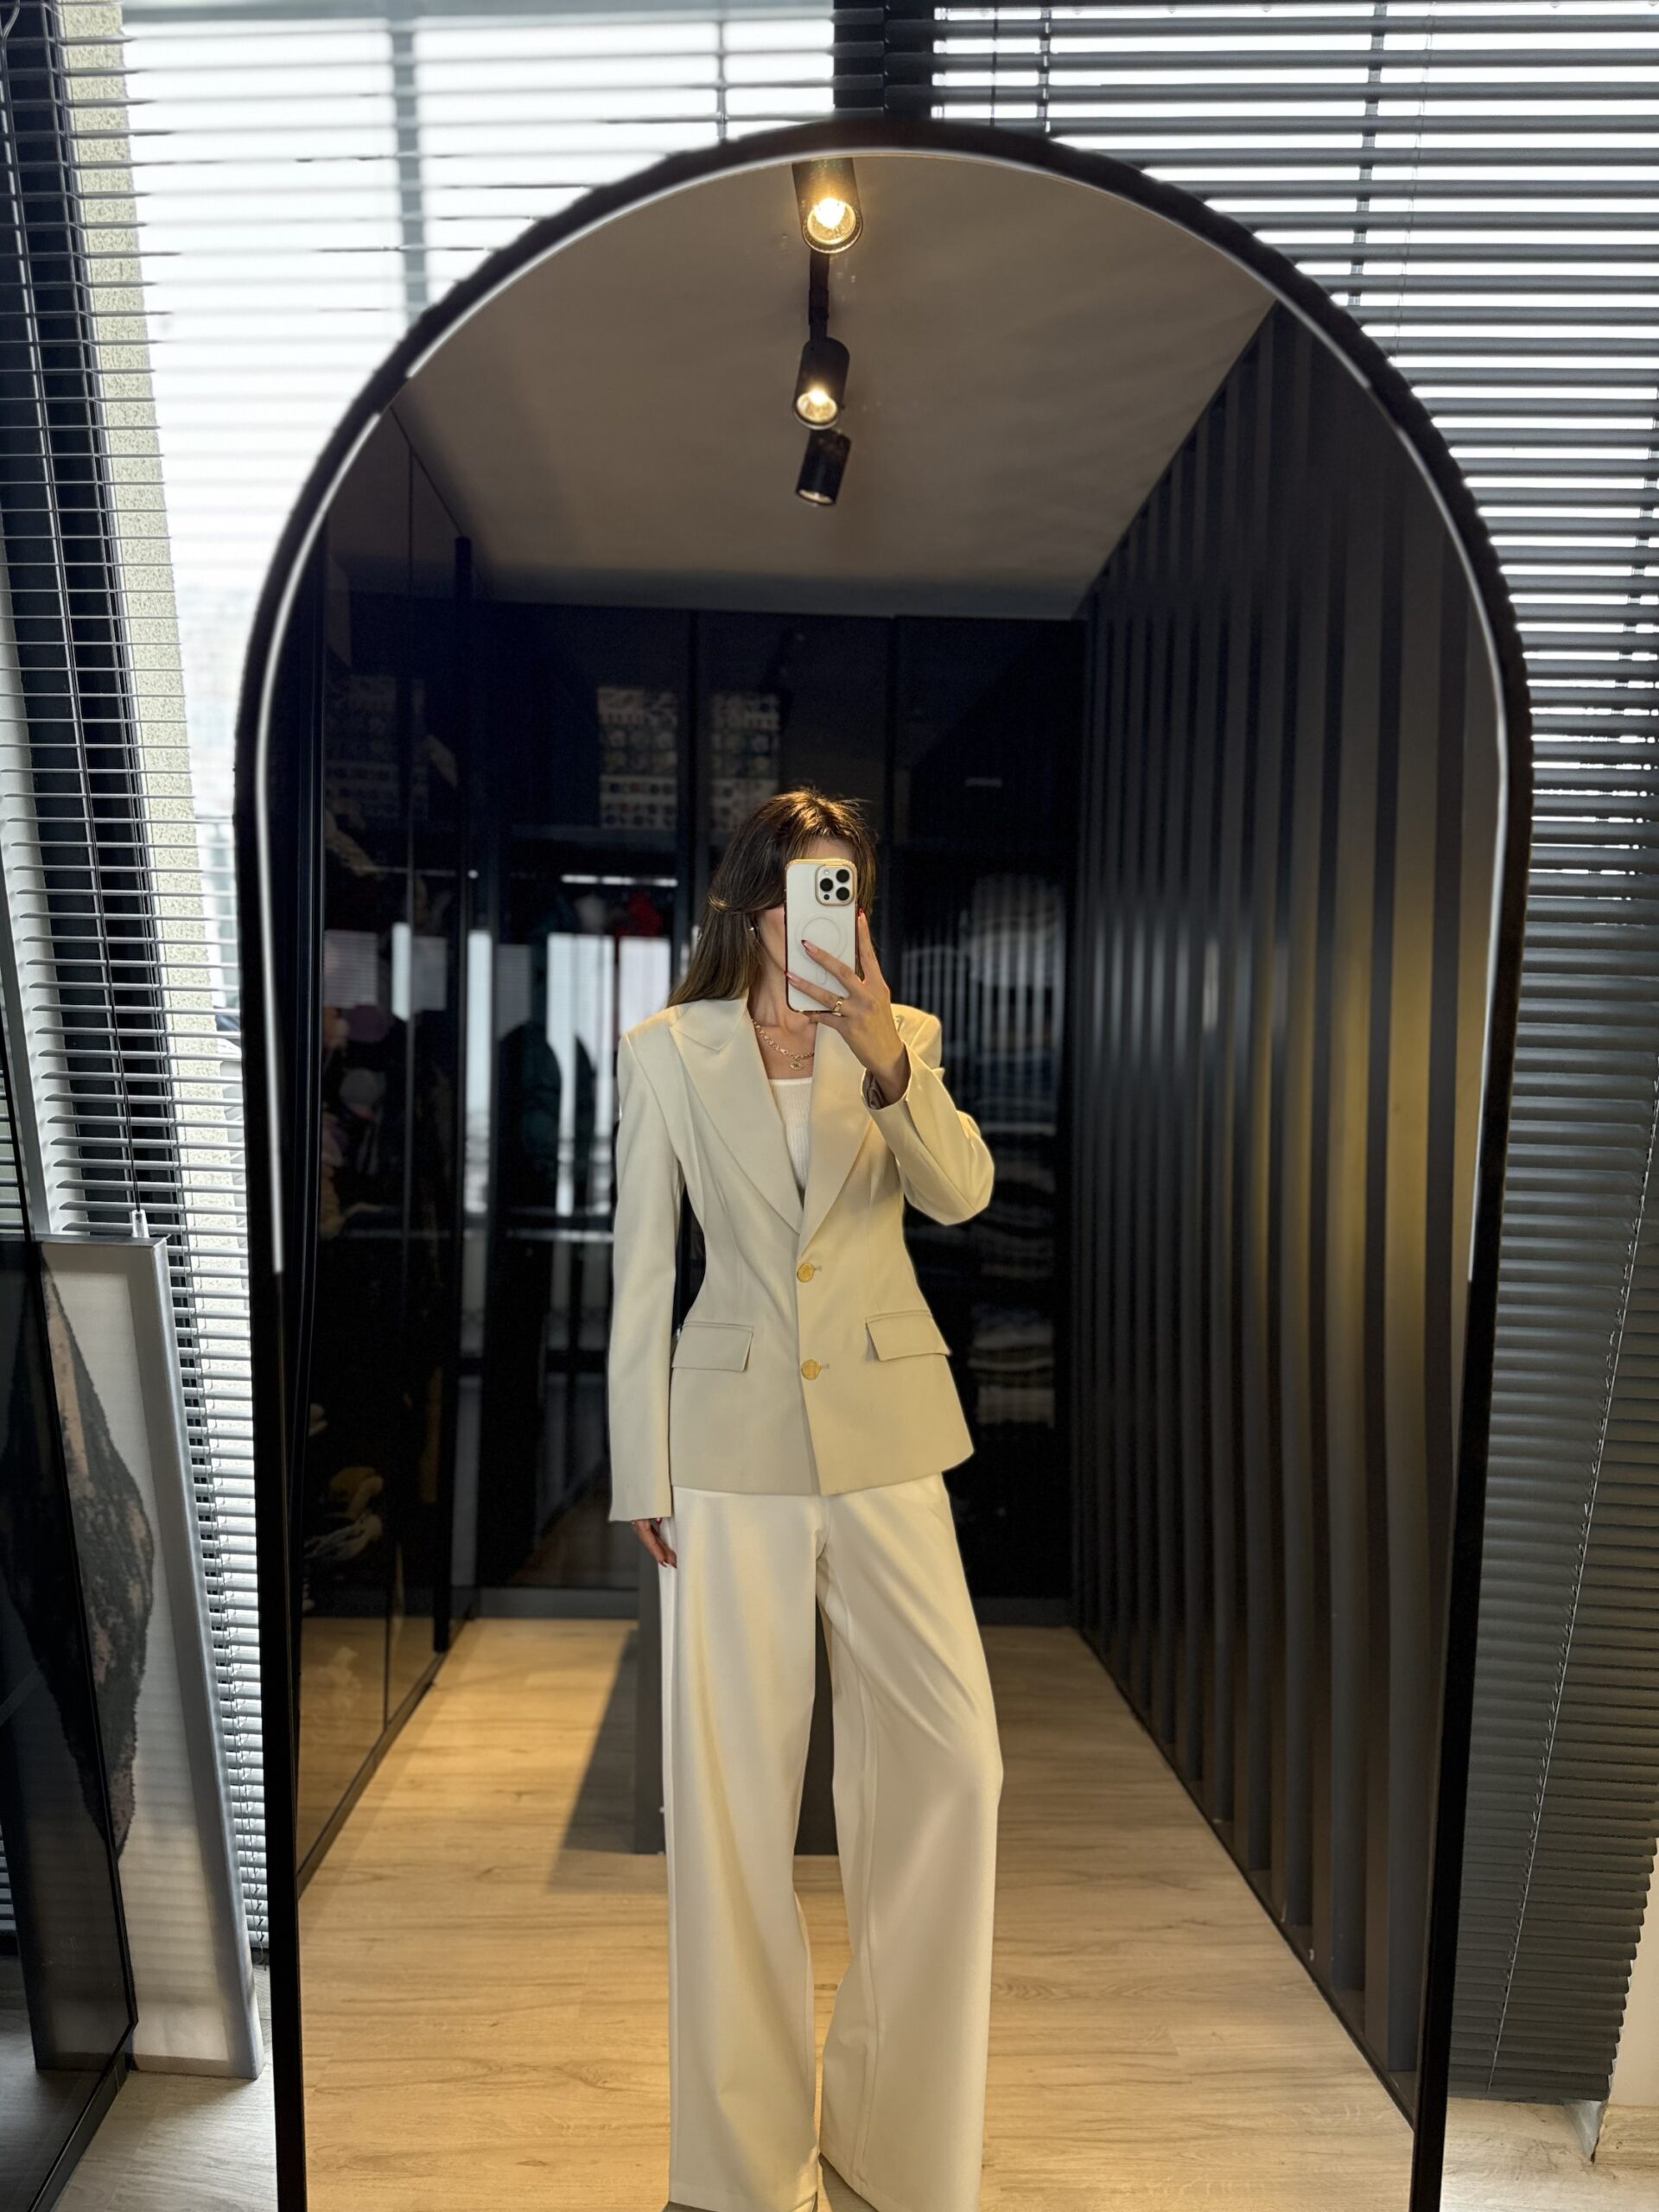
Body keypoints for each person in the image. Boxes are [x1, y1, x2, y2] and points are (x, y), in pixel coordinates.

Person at [606, 787, 1004, 2212]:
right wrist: (640, 1466)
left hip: (891, 1437)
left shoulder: (906, 1043)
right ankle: (737, 2169)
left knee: (956, 1767)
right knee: (730, 1802)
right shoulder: (669, 1052)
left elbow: (962, 1196)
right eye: (803, 888)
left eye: (846, 887)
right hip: (728, 1449)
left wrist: (882, 1053)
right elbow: (642, 1270)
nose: (826, 913)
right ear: (749, 904)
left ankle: (897, 2147)